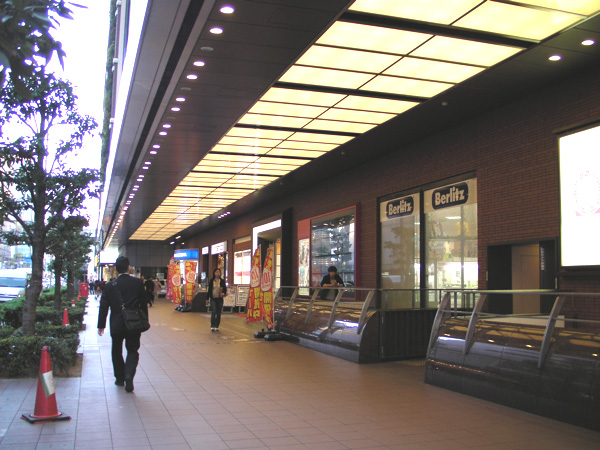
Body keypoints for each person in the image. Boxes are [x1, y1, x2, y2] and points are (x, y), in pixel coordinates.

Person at [97, 256, 148, 393]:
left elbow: (103, 307)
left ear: (116, 269)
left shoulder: (109, 286)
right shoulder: (137, 283)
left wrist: (101, 325)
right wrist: (144, 320)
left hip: (116, 323)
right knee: (133, 349)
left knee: (116, 350)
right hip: (133, 323)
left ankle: (119, 378)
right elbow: (143, 303)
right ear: (128, 268)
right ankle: (129, 374)